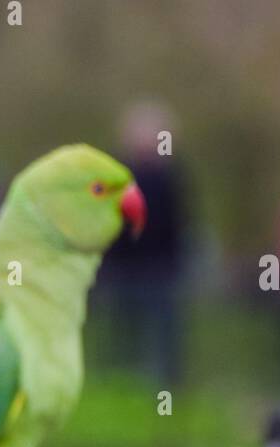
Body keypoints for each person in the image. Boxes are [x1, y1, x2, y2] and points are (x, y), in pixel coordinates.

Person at [99, 101, 189, 385]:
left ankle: (163, 389)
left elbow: (179, 223)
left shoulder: (170, 175)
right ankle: (122, 385)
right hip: (124, 268)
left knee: (162, 340)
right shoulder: (117, 174)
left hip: (160, 269)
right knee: (124, 334)